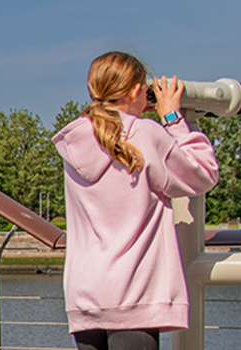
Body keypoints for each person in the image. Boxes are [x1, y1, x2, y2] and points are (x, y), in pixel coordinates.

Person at [52, 51, 219, 350]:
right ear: (134, 91)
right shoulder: (144, 134)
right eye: (145, 89)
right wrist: (172, 117)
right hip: (133, 291)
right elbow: (203, 174)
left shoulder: (76, 139)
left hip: (86, 293)